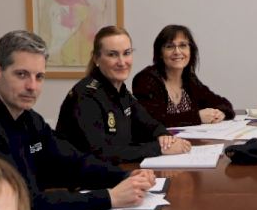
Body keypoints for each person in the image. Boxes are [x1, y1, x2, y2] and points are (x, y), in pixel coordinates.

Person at [0, 30, 155, 210]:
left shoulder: (30, 120)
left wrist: (124, 176)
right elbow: (27, 204)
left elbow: (74, 162)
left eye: (39, 77)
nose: (32, 86)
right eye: (22, 75)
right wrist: (109, 197)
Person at [57, 26, 191, 162]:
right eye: (112, 55)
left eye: (126, 53)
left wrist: (164, 137)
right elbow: (101, 153)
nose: (122, 62)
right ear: (96, 58)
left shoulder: (120, 91)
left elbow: (149, 124)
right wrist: (159, 148)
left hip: (112, 170)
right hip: (79, 174)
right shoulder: (86, 96)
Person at [132, 24, 235, 127]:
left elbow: (223, 104)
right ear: (160, 53)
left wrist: (220, 113)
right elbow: (152, 119)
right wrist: (197, 117)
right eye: (169, 46)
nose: (177, 52)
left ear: (191, 51)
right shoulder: (145, 79)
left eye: (183, 45)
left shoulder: (189, 79)